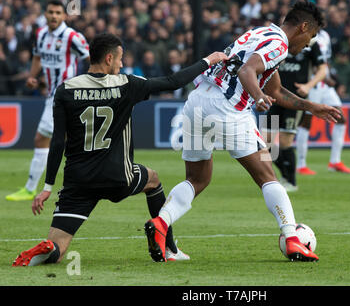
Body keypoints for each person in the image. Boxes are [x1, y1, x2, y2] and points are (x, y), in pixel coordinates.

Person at [145, 1, 342, 263]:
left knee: (198, 179)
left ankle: (161, 222)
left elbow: (276, 90)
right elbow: (248, 71)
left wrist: (310, 107)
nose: (308, 44)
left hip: (197, 103)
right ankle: (292, 239)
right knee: (267, 175)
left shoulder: (258, 34)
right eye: (311, 36)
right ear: (304, 27)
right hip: (227, 109)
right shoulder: (279, 44)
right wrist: (257, 96)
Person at [12, 33, 228, 266]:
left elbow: (57, 142)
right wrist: (208, 60)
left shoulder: (66, 89)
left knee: (58, 249)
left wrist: (47, 187)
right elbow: (172, 81)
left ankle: (49, 249)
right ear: (108, 58)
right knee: (153, 180)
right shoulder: (127, 85)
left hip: (78, 182)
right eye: (120, 59)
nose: (122, 64)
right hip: (117, 177)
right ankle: (169, 249)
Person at [6, 0, 90, 201]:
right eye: (50, 12)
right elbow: (36, 57)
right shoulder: (41, 34)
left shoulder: (72, 36)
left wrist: (88, 84)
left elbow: (90, 58)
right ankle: (87, 181)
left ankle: (31, 188)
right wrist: (32, 77)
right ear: (45, 13)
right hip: (52, 94)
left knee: (43, 137)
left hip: (66, 94)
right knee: (70, 140)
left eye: (58, 12)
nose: (53, 15)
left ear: (64, 16)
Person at [262, 29, 328, 191]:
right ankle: (282, 175)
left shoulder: (309, 44)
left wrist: (308, 86)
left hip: (295, 100)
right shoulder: (278, 43)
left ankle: (291, 182)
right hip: (274, 97)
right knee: (264, 145)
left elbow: (322, 69)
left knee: (285, 142)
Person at [295, 30, 350, 176]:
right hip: (313, 83)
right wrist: (322, 76)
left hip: (325, 85)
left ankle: (335, 161)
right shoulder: (305, 35)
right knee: (306, 121)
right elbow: (310, 60)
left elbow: (325, 59)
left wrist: (329, 75)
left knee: (340, 118)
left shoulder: (326, 35)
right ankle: (301, 164)